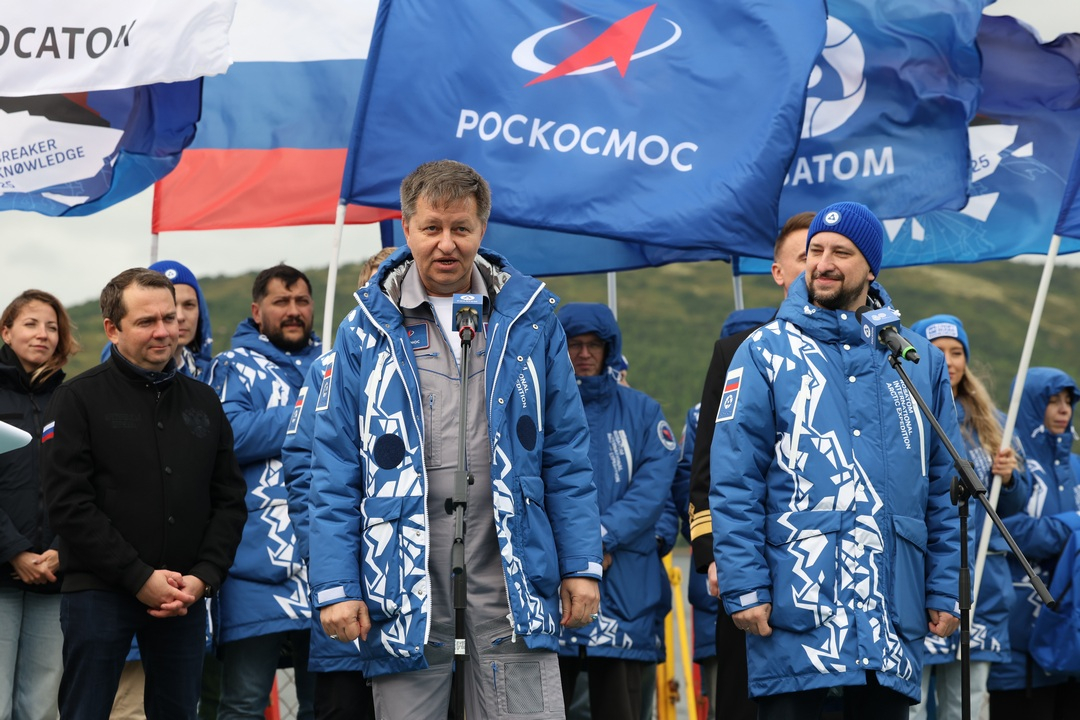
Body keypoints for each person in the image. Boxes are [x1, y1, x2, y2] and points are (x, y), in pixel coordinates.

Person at [307, 159, 602, 720]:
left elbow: (567, 455)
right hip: (402, 582)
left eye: (461, 228)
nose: (447, 244)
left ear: (481, 229)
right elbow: (335, 469)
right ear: (407, 228)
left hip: (514, 575)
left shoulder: (531, 322)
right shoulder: (363, 330)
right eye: (432, 228)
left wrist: (581, 566)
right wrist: (338, 584)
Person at [709, 201, 963, 719]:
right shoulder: (763, 351)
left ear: (871, 268)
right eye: (815, 251)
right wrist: (744, 584)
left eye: (841, 253)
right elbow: (735, 480)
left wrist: (943, 588)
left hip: (891, 610)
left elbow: (943, 488)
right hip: (796, 609)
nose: (823, 263)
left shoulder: (918, 361)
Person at [40, 268, 247, 720]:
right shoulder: (76, 399)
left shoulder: (204, 401)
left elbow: (230, 499)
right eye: (146, 321)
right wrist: (138, 577)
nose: (163, 331)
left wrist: (204, 576)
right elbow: (68, 505)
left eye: (169, 318)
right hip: (98, 593)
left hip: (183, 596)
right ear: (112, 329)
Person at [686, 211, 812, 719]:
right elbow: (707, 472)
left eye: (831, 252)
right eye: (805, 255)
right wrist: (715, 556)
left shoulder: (869, 356)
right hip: (755, 568)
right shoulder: (739, 351)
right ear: (778, 272)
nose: (819, 265)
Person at [279, 249, 395, 720]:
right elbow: (302, 470)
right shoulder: (328, 367)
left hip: (423, 588)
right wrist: (324, 559)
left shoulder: (449, 366)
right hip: (350, 576)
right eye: (379, 285)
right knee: (344, 703)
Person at [207, 264, 323, 720]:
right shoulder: (231, 366)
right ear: (257, 311)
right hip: (252, 562)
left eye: (302, 301)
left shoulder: (334, 364)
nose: (293, 311)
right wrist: (309, 414)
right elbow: (230, 435)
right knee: (244, 702)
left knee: (324, 704)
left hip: (326, 561)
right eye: (281, 302)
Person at [554, 303, 678, 720]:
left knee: (621, 705)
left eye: (594, 344)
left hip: (626, 583)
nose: (584, 353)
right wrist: (580, 548)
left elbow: (653, 490)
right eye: (574, 344)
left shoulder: (643, 412)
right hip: (556, 584)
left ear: (610, 349)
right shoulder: (541, 408)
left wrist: (600, 538)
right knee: (545, 705)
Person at [907, 314, 1031, 720]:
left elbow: (1014, 506)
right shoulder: (904, 415)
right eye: (937, 352)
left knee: (970, 703)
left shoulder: (993, 424)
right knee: (913, 701)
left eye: (957, 352)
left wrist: (1009, 479)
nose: (949, 361)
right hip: (922, 581)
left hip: (982, 585)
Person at [0, 290, 79, 720]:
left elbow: (88, 485)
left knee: (42, 706)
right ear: (6, 331)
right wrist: (13, 549)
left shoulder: (73, 401)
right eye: (31, 324)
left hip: (54, 575)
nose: (43, 334)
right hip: (2, 574)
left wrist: (63, 550)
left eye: (52, 327)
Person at [988, 367, 1080, 717]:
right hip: (1019, 647)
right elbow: (1004, 530)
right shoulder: (1008, 463)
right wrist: (1071, 525)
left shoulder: (1076, 467)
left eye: (1068, 401)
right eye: (1052, 401)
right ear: (1028, 404)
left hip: (1071, 640)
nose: (1064, 409)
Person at [102, 260, 214, 380]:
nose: (180, 316)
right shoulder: (99, 384)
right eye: (146, 321)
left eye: (189, 305)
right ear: (113, 330)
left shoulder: (216, 375)